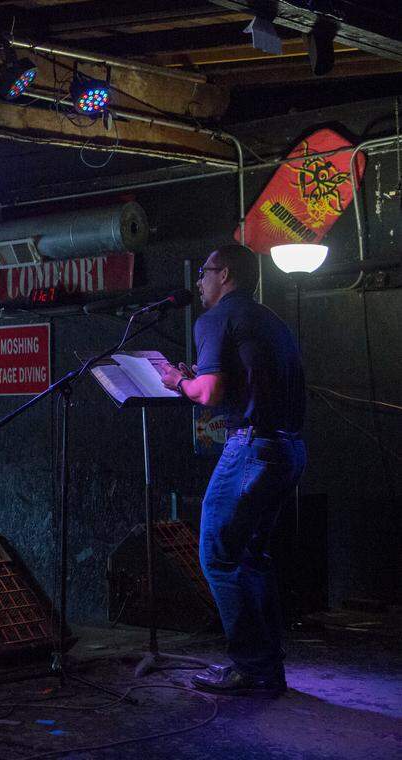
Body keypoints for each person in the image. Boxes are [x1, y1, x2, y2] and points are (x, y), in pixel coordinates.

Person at [160, 243, 306, 696]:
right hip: (288, 449)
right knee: (251, 557)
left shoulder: (216, 318)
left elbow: (207, 393)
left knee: (217, 555)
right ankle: (267, 668)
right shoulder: (269, 320)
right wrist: (198, 378)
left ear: (223, 274)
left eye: (204, 273)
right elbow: (237, 381)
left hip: (251, 448)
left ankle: (248, 666)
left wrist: (178, 382)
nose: (199, 282)